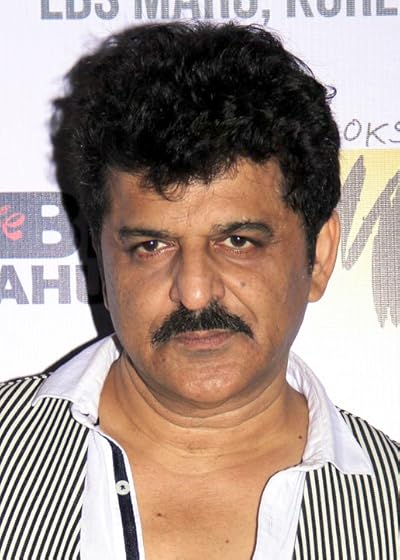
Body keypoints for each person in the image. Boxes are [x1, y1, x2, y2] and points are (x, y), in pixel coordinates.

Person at [0, 21, 398, 560]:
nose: (192, 292)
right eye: (151, 246)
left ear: (320, 255)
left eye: (238, 241)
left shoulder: (390, 504)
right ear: (102, 260)